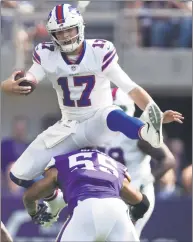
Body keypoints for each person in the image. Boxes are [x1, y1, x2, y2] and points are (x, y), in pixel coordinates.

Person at [1, 4, 183, 218]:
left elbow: (130, 87)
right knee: (18, 175)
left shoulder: (99, 50)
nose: (66, 36)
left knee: (108, 113)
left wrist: (155, 112)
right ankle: (56, 199)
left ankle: (145, 130)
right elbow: (29, 78)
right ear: (52, 35)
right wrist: (11, 85)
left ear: (80, 27)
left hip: (99, 120)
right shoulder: (47, 54)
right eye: (60, 32)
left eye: (70, 29)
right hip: (68, 125)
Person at [23, 149, 150, 241]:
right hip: (118, 211)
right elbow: (143, 203)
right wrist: (131, 220)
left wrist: (34, 213)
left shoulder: (61, 162)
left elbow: (29, 196)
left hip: (86, 208)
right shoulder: (114, 166)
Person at [98, 88, 177, 237]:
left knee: (125, 237)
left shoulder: (137, 131)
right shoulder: (94, 132)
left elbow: (168, 160)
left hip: (134, 194)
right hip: (106, 195)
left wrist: (146, 180)